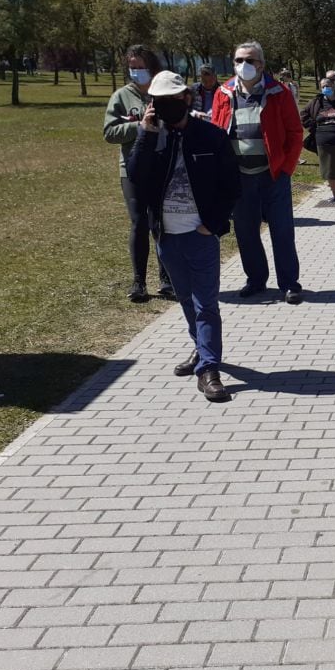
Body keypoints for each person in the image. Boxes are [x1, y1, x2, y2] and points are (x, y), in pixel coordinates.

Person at [126, 71, 241, 402]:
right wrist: (146, 134)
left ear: (187, 99)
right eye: (158, 102)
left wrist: (213, 223)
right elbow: (135, 176)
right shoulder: (151, 136)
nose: (166, 107)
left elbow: (231, 186)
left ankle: (208, 369)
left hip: (199, 234)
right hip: (167, 236)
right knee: (187, 300)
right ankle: (200, 350)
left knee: (206, 304)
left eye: (172, 100)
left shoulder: (210, 136)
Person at [211, 41, 305, 304]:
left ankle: (289, 283)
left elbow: (296, 133)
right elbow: (217, 130)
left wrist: (286, 168)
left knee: (282, 231)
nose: (244, 65)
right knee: (246, 231)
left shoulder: (280, 92)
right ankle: (256, 280)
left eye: (250, 60)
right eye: (239, 60)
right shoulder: (223, 93)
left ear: (261, 64)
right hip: (239, 176)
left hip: (273, 174)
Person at [103, 44, 173, 302]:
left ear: (152, 68)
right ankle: (139, 282)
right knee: (139, 223)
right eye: (132, 68)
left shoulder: (163, 93)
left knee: (160, 224)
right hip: (131, 170)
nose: (136, 72)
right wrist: (138, 125)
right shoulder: (121, 97)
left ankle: (167, 279)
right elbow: (109, 133)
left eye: (141, 67)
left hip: (161, 167)